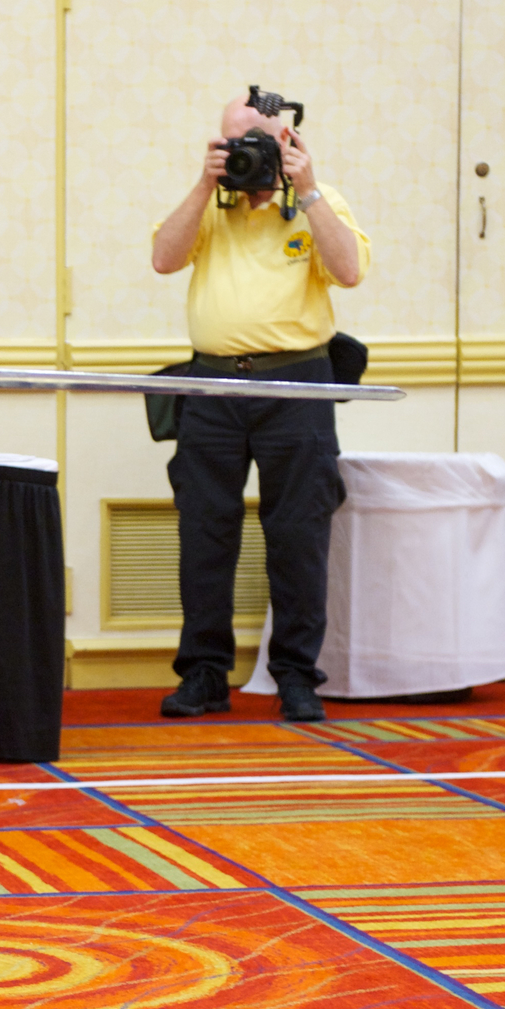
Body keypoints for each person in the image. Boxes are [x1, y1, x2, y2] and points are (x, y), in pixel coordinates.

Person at [149, 93, 368, 723]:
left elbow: (349, 271)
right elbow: (164, 258)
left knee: (299, 533)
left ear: (288, 141)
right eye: (230, 142)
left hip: (296, 385)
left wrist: (312, 190)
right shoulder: (210, 207)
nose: (243, 154)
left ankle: (297, 676)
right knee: (204, 533)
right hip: (213, 389)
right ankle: (203, 675)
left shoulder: (318, 202)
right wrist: (202, 184)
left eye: (255, 143)